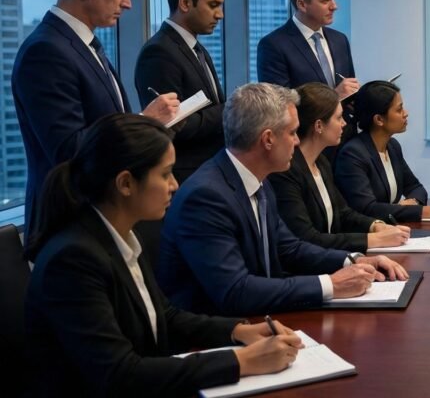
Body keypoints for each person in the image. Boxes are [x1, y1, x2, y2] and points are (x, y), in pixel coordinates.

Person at [25, 114, 301, 397]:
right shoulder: (73, 260)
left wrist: (237, 331)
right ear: (126, 184)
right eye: (165, 174)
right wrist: (241, 361)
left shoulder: (120, 234)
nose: (175, 185)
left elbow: (162, 316)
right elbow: (120, 375)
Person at [158, 83, 407, 316]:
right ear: (268, 139)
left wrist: (354, 260)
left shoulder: (258, 178)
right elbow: (235, 291)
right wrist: (330, 284)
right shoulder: (206, 196)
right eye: (293, 132)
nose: (298, 141)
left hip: (260, 317)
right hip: (217, 335)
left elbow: (288, 247)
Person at [13, 0, 179, 237]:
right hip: (72, 225)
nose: (128, 3)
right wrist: (144, 123)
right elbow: (68, 149)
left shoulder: (82, 42)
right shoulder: (47, 51)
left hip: (100, 217)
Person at [268, 82, 412, 251]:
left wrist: (376, 225)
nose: (344, 123)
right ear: (319, 126)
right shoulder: (287, 171)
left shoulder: (321, 161)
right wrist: (372, 239)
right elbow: (306, 238)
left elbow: (343, 212)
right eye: (338, 118)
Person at [135, 0, 228, 183]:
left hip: (207, 172)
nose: (220, 15)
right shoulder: (158, 51)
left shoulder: (197, 47)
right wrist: (231, 108)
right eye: (214, 5)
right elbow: (173, 125)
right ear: (185, 3)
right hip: (185, 179)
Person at [336, 80, 430, 221]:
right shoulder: (353, 154)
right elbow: (367, 208)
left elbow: (416, 188)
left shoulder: (392, 146)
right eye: (399, 109)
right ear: (379, 119)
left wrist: (414, 203)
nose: (405, 113)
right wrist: (425, 211)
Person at [256, 0, 359, 99]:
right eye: (325, 1)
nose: (334, 6)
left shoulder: (340, 40)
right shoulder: (273, 46)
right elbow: (279, 108)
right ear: (302, 5)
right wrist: (335, 97)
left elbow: (350, 94)